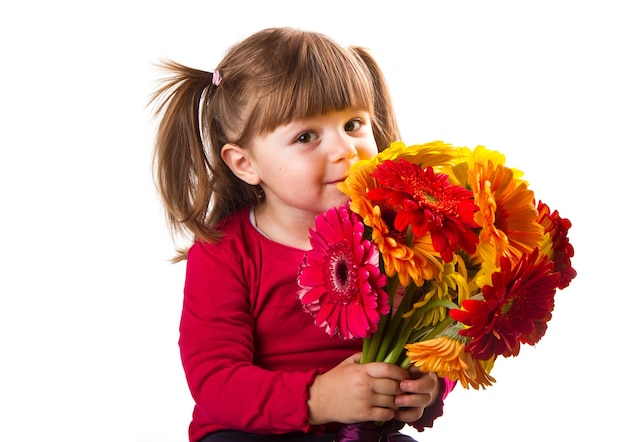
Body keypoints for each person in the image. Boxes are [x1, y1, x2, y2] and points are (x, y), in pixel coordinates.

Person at [150, 27, 454, 442]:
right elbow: (216, 382)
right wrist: (318, 398)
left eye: (353, 124)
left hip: (364, 432)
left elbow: (427, 332)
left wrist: (429, 386)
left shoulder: (395, 237)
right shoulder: (224, 252)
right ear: (244, 163)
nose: (344, 150)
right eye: (306, 136)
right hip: (249, 431)